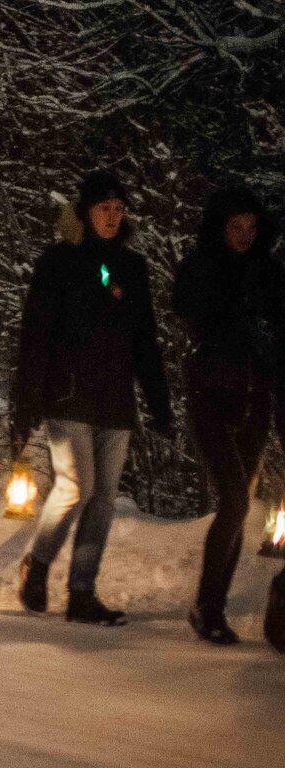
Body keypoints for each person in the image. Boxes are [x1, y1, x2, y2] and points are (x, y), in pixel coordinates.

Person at [12, 171, 174, 626]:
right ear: (85, 211)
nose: (111, 216)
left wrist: (158, 403)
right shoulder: (59, 261)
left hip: (115, 400)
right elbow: (36, 334)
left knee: (103, 497)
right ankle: (38, 565)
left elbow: (145, 340)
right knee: (76, 486)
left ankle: (82, 589)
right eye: (103, 208)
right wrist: (28, 398)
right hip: (67, 396)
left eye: (118, 209)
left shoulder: (131, 268)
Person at [173, 185, 283, 643]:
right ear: (221, 227)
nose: (244, 235)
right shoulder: (201, 267)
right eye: (236, 227)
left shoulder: (271, 272)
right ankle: (208, 604)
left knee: (239, 505)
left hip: (256, 398)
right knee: (236, 499)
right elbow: (189, 312)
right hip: (212, 395)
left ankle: (209, 605)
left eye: (251, 228)